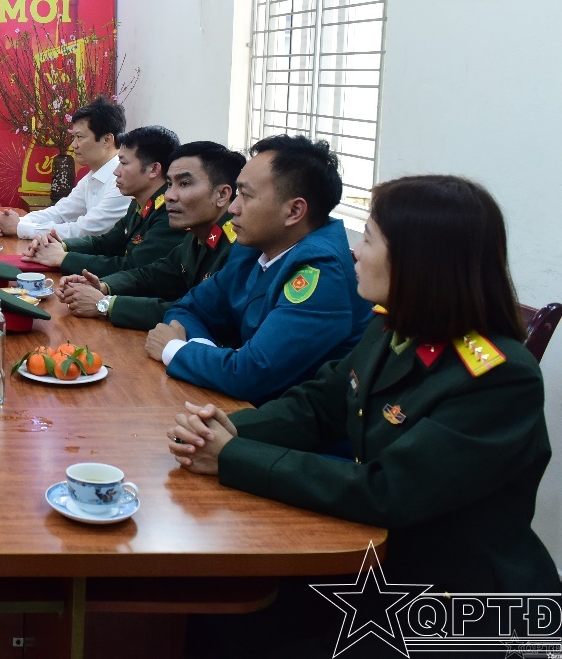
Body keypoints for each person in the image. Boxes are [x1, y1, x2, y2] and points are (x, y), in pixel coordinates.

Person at [169, 175, 558, 598]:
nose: (354, 251)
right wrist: (224, 429)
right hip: (371, 556)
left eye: (368, 239)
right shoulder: (392, 327)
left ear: (419, 260)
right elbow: (319, 406)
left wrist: (232, 454)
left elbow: (389, 489)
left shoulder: (498, 377)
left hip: (452, 597)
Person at [144, 135, 373, 404]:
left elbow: (251, 374)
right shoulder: (254, 248)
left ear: (294, 211)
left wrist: (175, 349)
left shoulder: (321, 271)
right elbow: (187, 309)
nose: (233, 208)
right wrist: (204, 352)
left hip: (286, 422)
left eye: (246, 195)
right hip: (234, 405)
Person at [62, 141, 244, 331]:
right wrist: (103, 286)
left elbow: (198, 311)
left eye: (184, 184)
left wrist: (105, 305)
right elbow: (152, 275)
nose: (169, 196)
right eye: (169, 184)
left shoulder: (238, 248)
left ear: (222, 194)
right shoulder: (197, 235)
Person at [22, 125, 184, 277]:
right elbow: (106, 243)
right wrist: (60, 245)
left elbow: (132, 267)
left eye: (124, 163)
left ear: (153, 169)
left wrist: (64, 258)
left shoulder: (170, 211)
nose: (116, 171)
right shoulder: (139, 201)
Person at [0, 96, 131, 239]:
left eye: (80, 137)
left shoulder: (123, 180)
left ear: (107, 140)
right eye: (74, 137)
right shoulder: (93, 176)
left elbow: (85, 230)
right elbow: (61, 213)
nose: (74, 145)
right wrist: (13, 222)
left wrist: (19, 227)